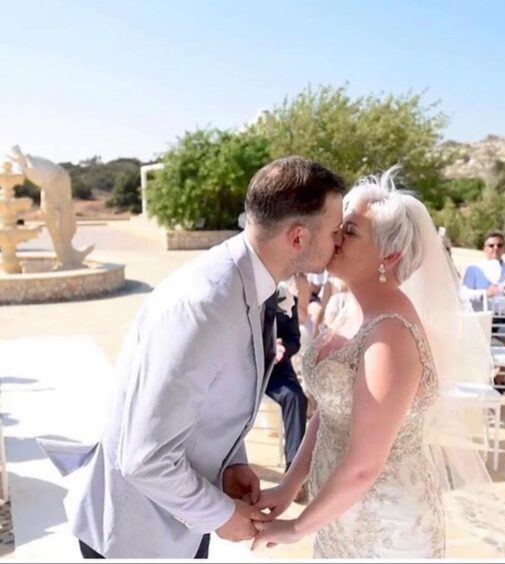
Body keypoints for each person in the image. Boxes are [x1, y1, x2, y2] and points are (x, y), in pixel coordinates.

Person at [38, 156, 346, 559]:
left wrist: (231, 463)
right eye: (336, 231)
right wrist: (221, 515)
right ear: (298, 237)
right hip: (136, 536)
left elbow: (214, 394)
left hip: (178, 518)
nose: (339, 241)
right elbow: (144, 457)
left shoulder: (250, 281)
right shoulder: (203, 307)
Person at [251, 166, 492, 558]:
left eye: (349, 231)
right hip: (338, 511)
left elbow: (365, 464)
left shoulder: (391, 335)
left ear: (389, 254)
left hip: (385, 524)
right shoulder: (347, 308)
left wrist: (296, 527)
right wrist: (288, 486)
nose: (335, 237)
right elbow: (328, 413)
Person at [462, 230, 505, 390]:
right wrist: (485, 293)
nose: (495, 249)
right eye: (491, 245)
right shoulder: (474, 269)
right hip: (479, 318)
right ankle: (479, 385)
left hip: (503, 320)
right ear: (485, 248)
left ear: (504, 248)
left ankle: (500, 376)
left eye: (499, 245)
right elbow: (463, 293)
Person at [265, 291, 308, 500]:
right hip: (245, 369)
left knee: (295, 397)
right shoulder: (244, 294)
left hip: (278, 370)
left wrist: (282, 349)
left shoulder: (287, 298)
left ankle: (293, 472)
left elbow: (295, 340)